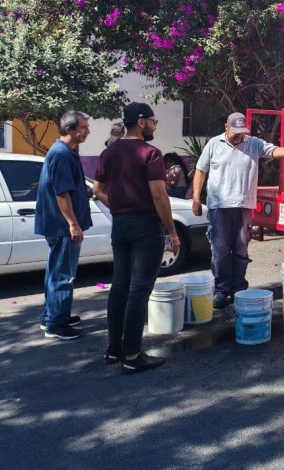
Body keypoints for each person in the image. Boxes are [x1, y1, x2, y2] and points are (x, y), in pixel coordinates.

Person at [93, 102, 181, 375]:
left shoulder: (110, 152)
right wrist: (173, 232)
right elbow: (159, 195)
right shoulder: (150, 153)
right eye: (154, 121)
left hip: (120, 226)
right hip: (145, 228)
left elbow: (98, 190)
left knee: (120, 286)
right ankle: (132, 355)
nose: (155, 126)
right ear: (141, 122)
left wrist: (119, 207)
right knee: (139, 290)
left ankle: (113, 349)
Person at [192, 112, 284, 308]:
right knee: (220, 250)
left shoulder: (254, 143)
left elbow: (275, 151)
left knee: (240, 250)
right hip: (219, 207)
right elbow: (200, 171)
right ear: (226, 127)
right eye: (236, 132)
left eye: (243, 132)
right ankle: (221, 290)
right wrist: (196, 198)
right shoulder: (214, 144)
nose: (240, 136)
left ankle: (238, 289)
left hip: (243, 207)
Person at [36, 110, 93, 340]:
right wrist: (72, 223)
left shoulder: (67, 152)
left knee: (55, 271)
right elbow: (62, 193)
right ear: (69, 129)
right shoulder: (60, 153)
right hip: (62, 226)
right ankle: (56, 325)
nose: (87, 131)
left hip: (59, 224)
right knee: (62, 274)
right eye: (83, 127)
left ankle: (51, 315)